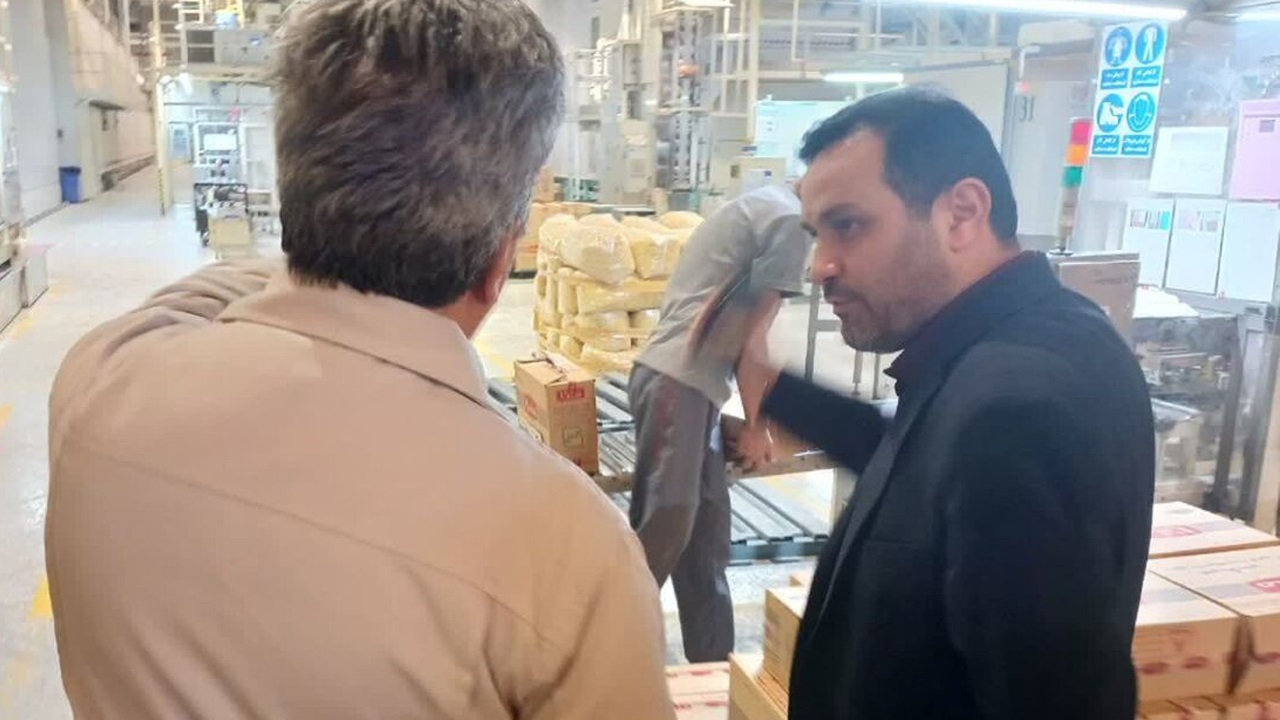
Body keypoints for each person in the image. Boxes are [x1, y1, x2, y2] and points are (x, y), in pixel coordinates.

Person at [45, 2, 674, 719]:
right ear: (502, 261)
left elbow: (209, 292)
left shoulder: (102, 382)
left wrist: (331, 228)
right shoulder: (570, 551)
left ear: (295, 184)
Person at [734, 88, 1154, 718]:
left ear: (961, 214)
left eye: (848, 225)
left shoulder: (1017, 409)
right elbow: (918, 463)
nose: (820, 267)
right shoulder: (1016, 346)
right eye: (817, 234)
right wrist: (774, 389)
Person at [630, 183, 814, 662]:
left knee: (705, 540)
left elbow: (736, 328)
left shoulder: (766, 205)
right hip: (677, 382)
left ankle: (713, 669)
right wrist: (755, 426)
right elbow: (754, 341)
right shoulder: (791, 222)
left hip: (695, 389)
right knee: (666, 524)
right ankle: (607, 656)